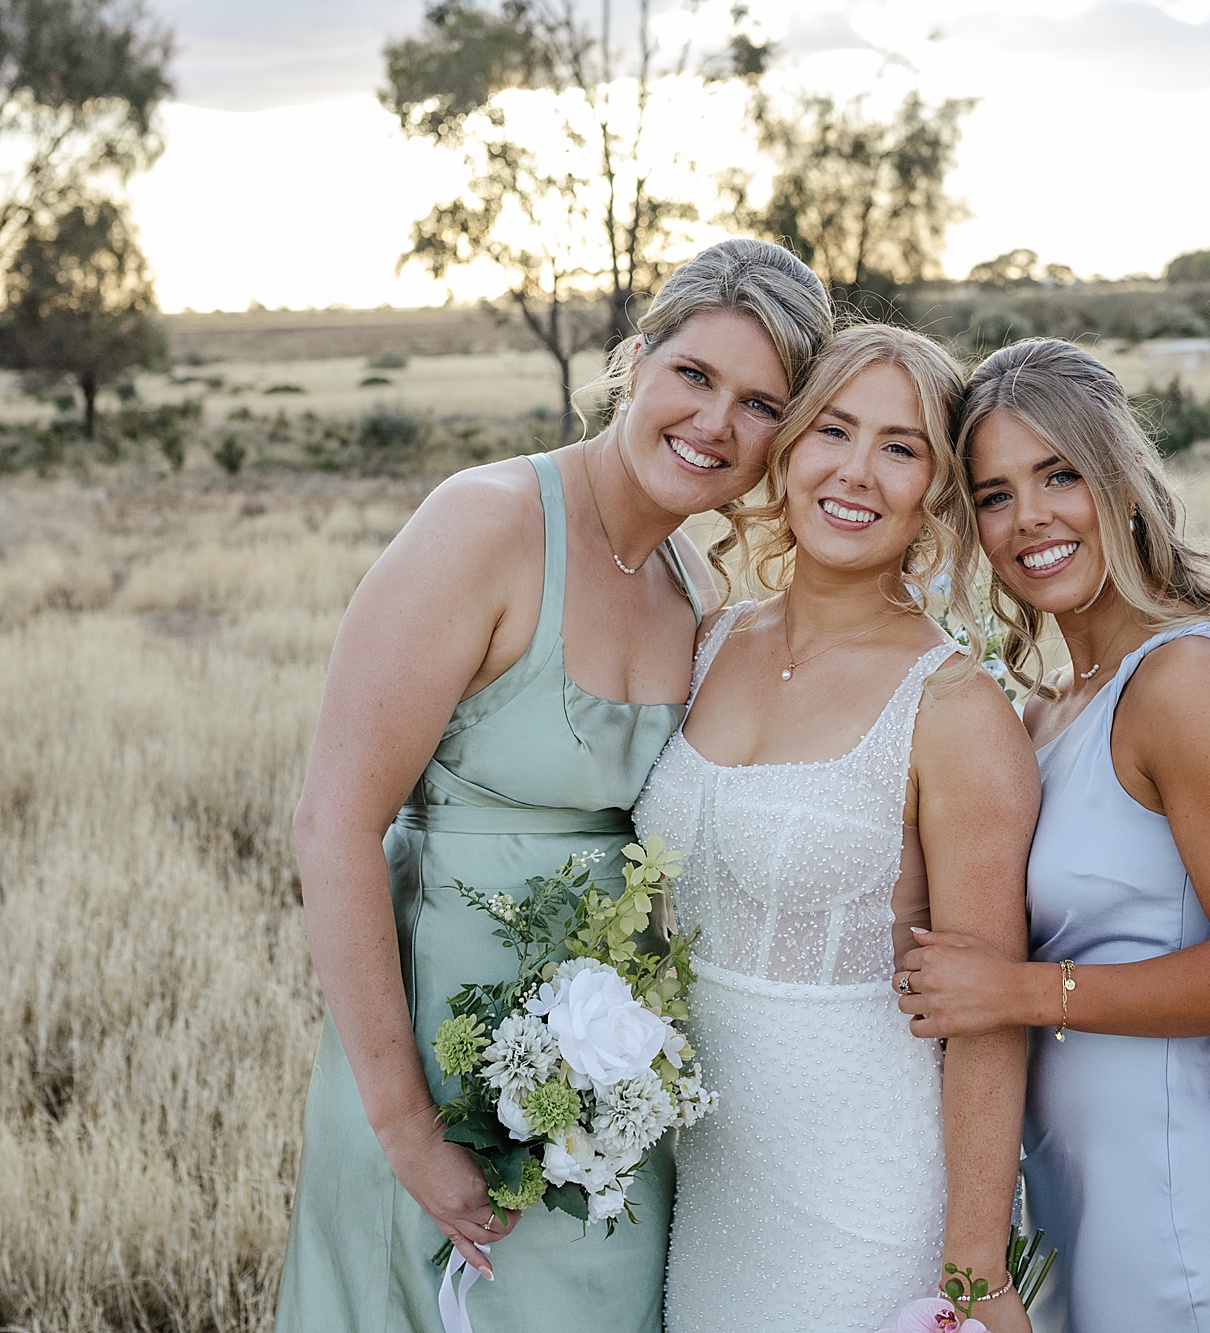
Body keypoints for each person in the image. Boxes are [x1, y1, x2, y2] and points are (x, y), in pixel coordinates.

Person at [276, 239, 833, 1333]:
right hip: (436, 1046)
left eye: (761, 402)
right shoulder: (484, 524)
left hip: (609, 1083)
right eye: (694, 376)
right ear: (634, 361)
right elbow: (332, 821)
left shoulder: (692, 581)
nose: (716, 422)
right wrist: (403, 1124)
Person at [898, 337, 1210, 1333]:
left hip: (1182, 1219)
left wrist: (1015, 991)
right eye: (993, 494)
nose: (1027, 518)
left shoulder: (1186, 686)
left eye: (1057, 476)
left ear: (1121, 480)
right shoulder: (1047, 709)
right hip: (1071, 1212)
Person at [632, 324, 1036, 1333]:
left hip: (866, 1200)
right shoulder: (708, 638)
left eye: (900, 448)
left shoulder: (950, 707)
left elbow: (986, 1009)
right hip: (710, 1183)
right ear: (787, 447)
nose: (856, 472)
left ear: (935, 490)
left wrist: (974, 1269)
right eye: (833, 431)